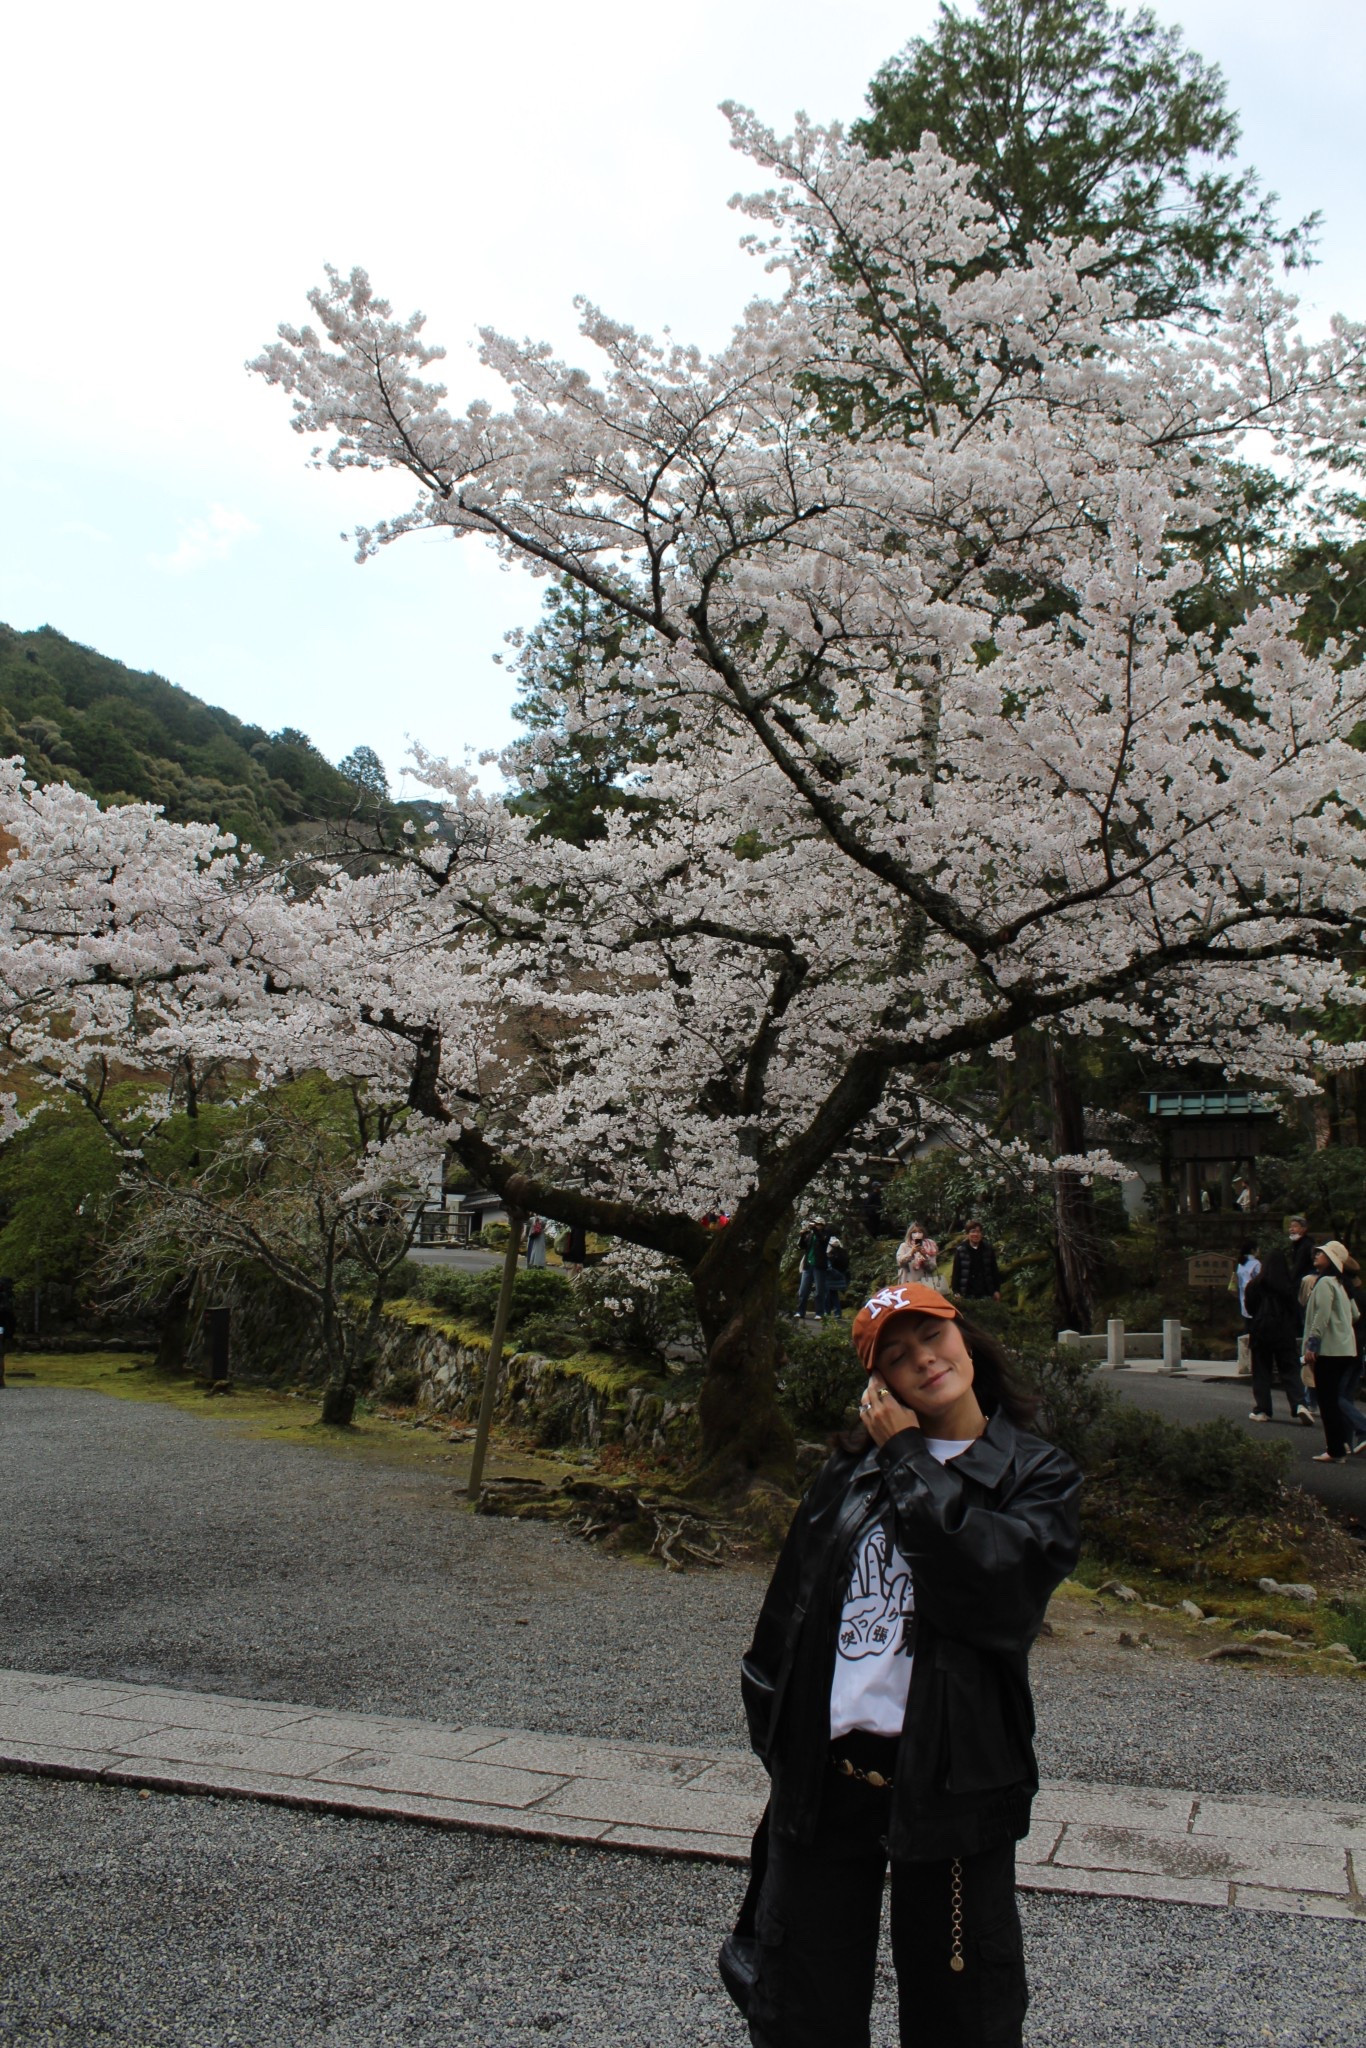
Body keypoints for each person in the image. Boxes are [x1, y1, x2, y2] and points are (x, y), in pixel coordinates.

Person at [724, 1282, 1081, 2048]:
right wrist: (783, 1741)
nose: (924, 1361)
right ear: (876, 1381)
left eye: (933, 1338)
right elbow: (784, 1620)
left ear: (966, 1340)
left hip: (950, 1784)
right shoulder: (846, 1477)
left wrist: (907, 1454)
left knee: (963, 2013)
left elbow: (993, 1592)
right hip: (826, 1782)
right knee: (798, 2008)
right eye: (896, 1355)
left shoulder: (1036, 1476)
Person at [1302, 1241, 1361, 1464]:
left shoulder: (1325, 1282)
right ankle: (1341, 1444)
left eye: (1323, 1253)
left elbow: (1321, 1315)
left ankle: (1335, 1450)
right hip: (1346, 1348)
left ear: (1331, 1259)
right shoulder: (1341, 1283)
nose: (1317, 1254)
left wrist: (1312, 1344)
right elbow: (1354, 1314)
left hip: (1329, 1350)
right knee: (1336, 1399)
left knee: (1327, 1401)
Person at [1244, 1249, 1311, 1425]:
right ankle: (1299, 1404)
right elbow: (1296, 1312)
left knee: (1261, 1371)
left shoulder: (1255, 1285)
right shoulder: (1288, 1286)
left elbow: (1250, 1308)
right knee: (1290, 1369)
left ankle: (1263, 1410)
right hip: (1284, 1334)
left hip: (1261, 1332)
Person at [950, 1221, 1002, 1302]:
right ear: (967, 1234)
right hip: (967, 1292)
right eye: (973, 1231)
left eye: (978, 1232)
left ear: (981, 1234)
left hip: (986, 1291)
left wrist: (996, 1290)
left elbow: (994, 1271)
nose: (976, 1234)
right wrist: (956, 1291)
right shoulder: (961, 1250)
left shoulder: (988, 1249)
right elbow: (956, 1272)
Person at [794, 1223, 830, 1320]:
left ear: (822, 1225)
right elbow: (802, 1246)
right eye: (815, 1224)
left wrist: (814, 1229)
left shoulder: (825, 1234)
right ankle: (800, 1312)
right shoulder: (810, 1235)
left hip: (819, 1266)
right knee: (803, 1291)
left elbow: (822, 1240)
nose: (816, 1225)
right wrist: (802, 1235)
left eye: (818, 1224)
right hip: (808, 1265)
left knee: (819, 1291)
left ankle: (819, 1313)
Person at [895, 1222, 941, 1290]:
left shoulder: (930, 1246)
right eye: (914, 1232)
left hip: (925, 1282)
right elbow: (900, 1262)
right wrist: (911, 1253)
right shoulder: (904, 1246)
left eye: (919, 1232)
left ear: (923, 1233)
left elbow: (932, 1267)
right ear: (910, 1234)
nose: (917, 1234)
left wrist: (924, 1255)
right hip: (908, 1282)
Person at [821, 1237, 851, 1319]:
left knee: (827, 1294)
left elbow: (828, 1267)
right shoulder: (842, 1251)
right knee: (834, 1294)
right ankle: (838, 1312)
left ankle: (826, 1311)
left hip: (831, 1276)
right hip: (839, 1276)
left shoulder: (830, 1253)